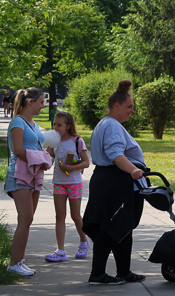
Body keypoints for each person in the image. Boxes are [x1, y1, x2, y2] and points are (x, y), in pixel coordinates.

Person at [83, 80, 148, 285]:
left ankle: (124, 271)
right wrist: (134, 170)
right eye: (129, 106)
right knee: (109, 227)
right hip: (115, 182)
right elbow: (115, 155)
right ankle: (98, 274)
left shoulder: (107, 124)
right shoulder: (112, 126)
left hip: (109, 181)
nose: (132, 110)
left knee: (122, 226)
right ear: (116, 106)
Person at [5, 88, 47, 277]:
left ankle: (19, 261)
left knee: (27, 220)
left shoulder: (34, 123)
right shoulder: (17, 122)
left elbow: (37, 146)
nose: (43, 105)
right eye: (40, 101)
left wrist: (48, 155)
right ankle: (14, 263)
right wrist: (43, 157)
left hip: (34, 174)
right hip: (19, 174)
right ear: (29, 101)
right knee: (26, 218)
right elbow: (20, 150)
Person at [46, 110, 91, 262]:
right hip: (58, 183)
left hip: (74, 184)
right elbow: (49, 160)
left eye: (59, 125)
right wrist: (44, 159)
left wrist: (71, 168)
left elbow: (86, 162)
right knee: (60, 215)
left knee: (75, 215)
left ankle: (84, 241)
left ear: (68, 126)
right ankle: (60, 251)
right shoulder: (54, 142)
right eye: (54, 124)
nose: (56, 127)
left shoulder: (77, 141)